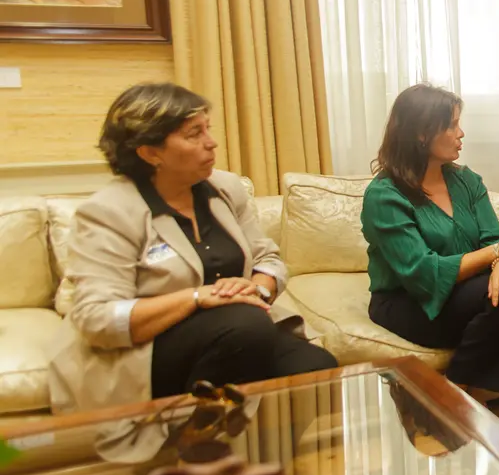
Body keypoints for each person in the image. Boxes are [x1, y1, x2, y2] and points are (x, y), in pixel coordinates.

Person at [49, 83, 338, 414]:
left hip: (241, 334)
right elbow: (96, 318)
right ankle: (200, 452)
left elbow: (267, 258)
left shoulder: (225, 189)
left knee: (316, 369)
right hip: (145, 349)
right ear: (150, 152)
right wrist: (198, 297)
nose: (211, 142)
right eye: (193, 134)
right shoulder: (108, 212)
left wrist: (257, 288)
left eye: (208, 129)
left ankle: (267, 454)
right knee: (244, 326)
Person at [361, 83, 499, 396]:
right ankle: (454, 389)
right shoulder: (384, 196)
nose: (461, 133)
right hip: (409, 300)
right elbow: (423, 273)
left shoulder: (465, 180)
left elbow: (493, 235)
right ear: (421, 134)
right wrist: (498, 254)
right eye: (451, 125)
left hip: (465, 287)